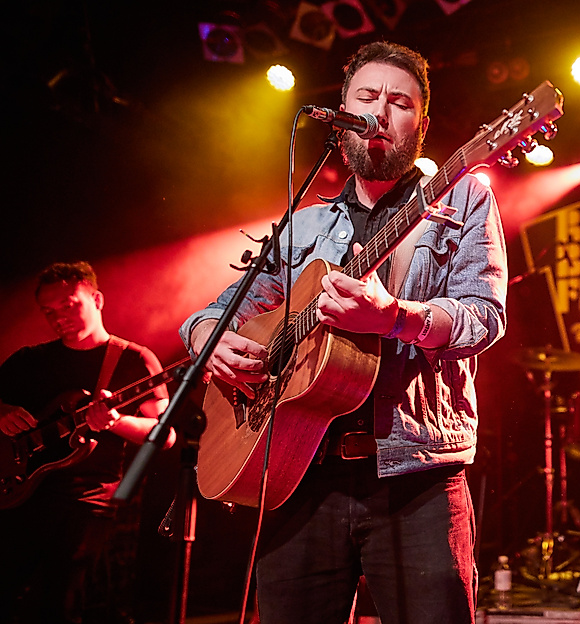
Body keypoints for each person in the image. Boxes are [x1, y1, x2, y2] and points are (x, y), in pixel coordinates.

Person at [180, 41, 507, 624]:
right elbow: (224, 309)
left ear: (421, 125)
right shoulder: (304, 223)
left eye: (399, 102)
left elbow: (484, 315)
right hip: (297, 474)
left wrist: (395, 318)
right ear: (341, 113)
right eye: (366, 97)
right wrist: (208, 336)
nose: (380, 112)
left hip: (417, 479)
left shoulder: (462, 199)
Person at [0, 261, 173, 624]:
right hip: (17, 492)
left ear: (97, 299)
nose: (58, 317)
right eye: (49, 311)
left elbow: (165, 434)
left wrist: (116, 421)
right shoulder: (29, 361)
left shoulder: (134, 359)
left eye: (68, 305)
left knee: (62, 602)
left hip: (87, 498)